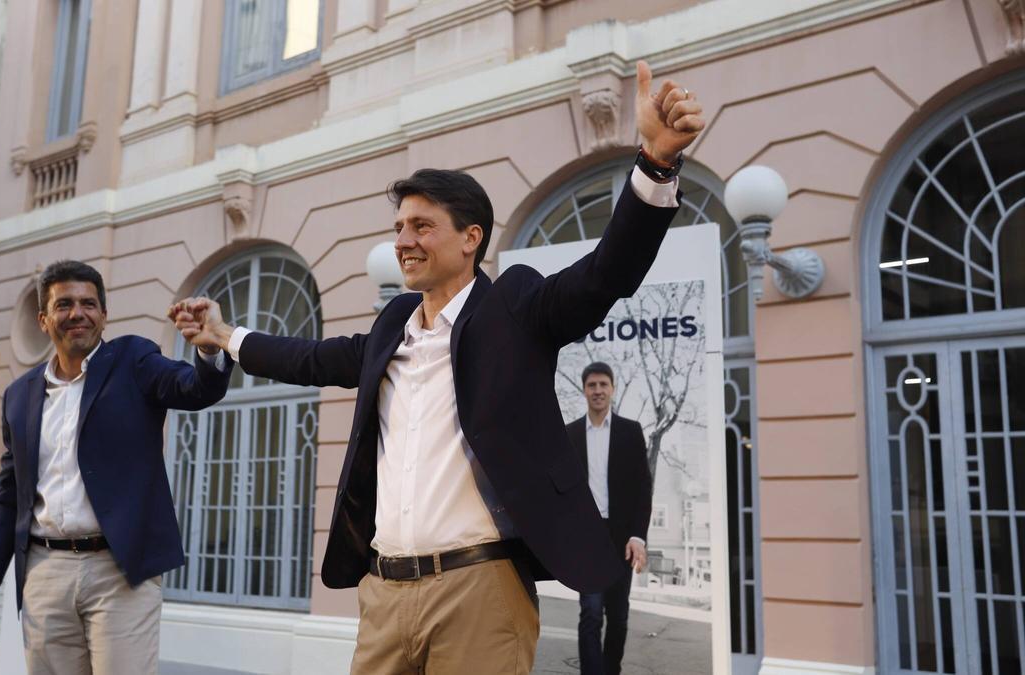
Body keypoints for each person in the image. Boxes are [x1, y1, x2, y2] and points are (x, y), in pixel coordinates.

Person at [171, 61, 703, 674]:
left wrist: (655, 167)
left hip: (477, 591)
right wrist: (224, 335)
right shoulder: (392, 327)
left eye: (422, 226)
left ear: (471, 237)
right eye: (399, 227)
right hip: (384, 594)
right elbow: (312, 358)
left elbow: (605, 273)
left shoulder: (516, 307)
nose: (405, 240)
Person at [0, 260, 232, 675]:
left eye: (89, 303)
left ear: (104, 315)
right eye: (64, 304)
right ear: (43, 319)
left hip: (119, 570)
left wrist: (209, 349)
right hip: (44, 569)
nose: (78, 313)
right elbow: (9, 492)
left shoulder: (134, 361)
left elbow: (194, 389)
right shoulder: (19, 396)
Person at [566, 362, 652, 675]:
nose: (598, 391)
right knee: (590, 613)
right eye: (592, 385)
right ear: (584, 390)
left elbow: (643, 488)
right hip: (588, 537)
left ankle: (610, 670)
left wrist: (638, 536)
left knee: (618, 615)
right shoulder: (570, 434)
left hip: (621, 539)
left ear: (612, 389)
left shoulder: (631, 432)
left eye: (603, 384)